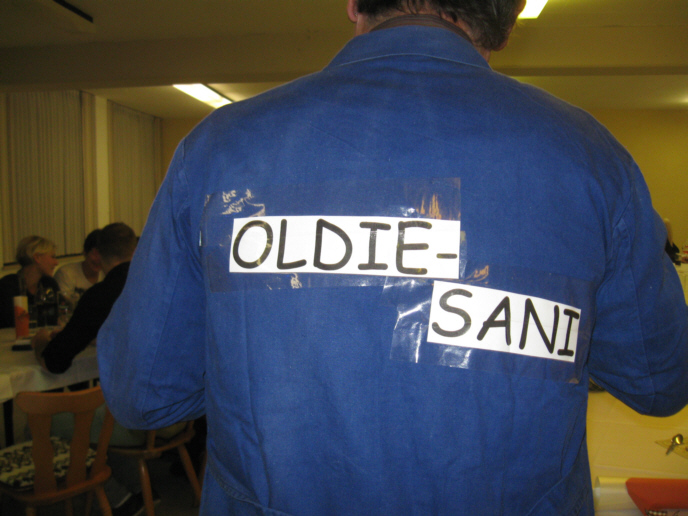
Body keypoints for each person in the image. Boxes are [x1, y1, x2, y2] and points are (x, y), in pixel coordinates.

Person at [98, 1, 688, 514]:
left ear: (355, 3)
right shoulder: (589, 158)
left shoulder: (219, 148)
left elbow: (145, 394)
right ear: (507, 20)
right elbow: (661, 383)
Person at [0, 236, 60, 328]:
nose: (56, 262)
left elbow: (56, 317)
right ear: (37, 258)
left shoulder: (49, 284)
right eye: (53, 257)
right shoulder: (8, 286)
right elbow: (9, 323)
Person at [54, 228, 103, 306]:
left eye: (102, 254)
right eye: (94, 254)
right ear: (85, 252)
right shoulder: (66, 273)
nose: (98, 259)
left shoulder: (108, 274)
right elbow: (64, 305)